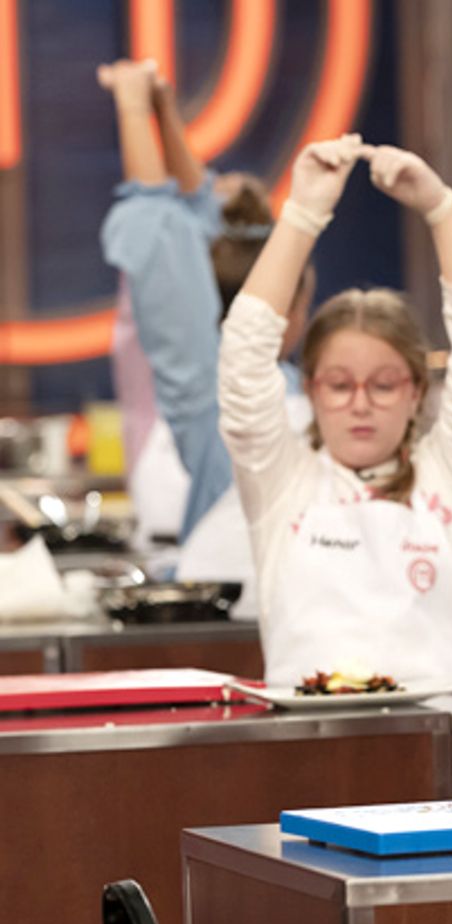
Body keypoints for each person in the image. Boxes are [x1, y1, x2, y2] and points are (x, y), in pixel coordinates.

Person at [219, 135, 452, 688]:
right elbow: (243, 353)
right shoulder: (279, 480)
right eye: (338, 385)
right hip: (311, 738)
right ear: (308, 389)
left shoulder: (448, 473)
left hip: (442, 734)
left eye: (382, 385)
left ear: (415, 393)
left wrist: (441, 207)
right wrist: (303, 214)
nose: (360, 405)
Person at [98, 59, 314, 579]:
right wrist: (132, 105)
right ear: (283, 313)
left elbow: (191, 215)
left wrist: (162, 110)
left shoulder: (288, 386)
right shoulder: (214, 386)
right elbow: (159, 221)